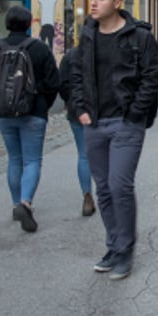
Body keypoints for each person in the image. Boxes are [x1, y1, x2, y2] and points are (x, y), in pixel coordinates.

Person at [70, 0, 158, 280]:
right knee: (104, 189)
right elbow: (77, 73)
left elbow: (152, 77)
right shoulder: (88, 35)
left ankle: (125, 251)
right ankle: (113, 246)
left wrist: (135, 114)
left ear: (117, 2)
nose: (94, 3)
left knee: (120, 185)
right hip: (94, 123)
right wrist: (81, 109)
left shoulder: (139, 37)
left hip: (126, 123)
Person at [0, 5, 60, 233]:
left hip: (4, 114)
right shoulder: (40, 49)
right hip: (34, 113)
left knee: (14, 159)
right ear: (28, 24)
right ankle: (26, 202)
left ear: (6, 24)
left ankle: (16, 204)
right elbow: (54, 82)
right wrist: (42, 103)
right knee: (32, 160)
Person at [58, 45, 95, 217]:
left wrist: (72, 102)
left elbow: (62, 84)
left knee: (84, 154)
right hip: (103, 111)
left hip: (77, 111)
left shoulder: (71, 55)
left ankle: (87, 195)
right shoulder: (109, 50)